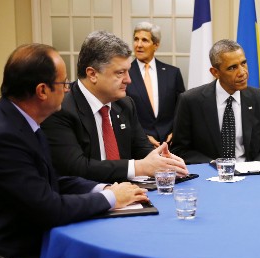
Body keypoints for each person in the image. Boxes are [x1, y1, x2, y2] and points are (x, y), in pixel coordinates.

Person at [0, 43, 148, 258]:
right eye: (63, 84)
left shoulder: (21, 122)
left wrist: (103, 188)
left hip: (25, 240)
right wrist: (112, 198)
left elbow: (53, 182)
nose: (68, 89)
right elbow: (49, 208)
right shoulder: (4, 135)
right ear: (42, 90)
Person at [41, 30, 188, 183]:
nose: (128, 80)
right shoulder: (60, 108)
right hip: (86, 199)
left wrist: (165, 161)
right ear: (92, 74)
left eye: (128, 72)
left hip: (129, 194)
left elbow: (142, 150)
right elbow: (76, 167)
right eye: (120, 73)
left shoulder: (125, 104)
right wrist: (138, 167)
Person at [171, 39, 260, 164]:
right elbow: (180, 150)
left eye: (243, 63)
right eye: (232, 68)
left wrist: (253, 168)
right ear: (215, 72)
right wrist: (213, 164)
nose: (242, 72)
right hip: (209, 176)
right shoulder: (190, 101)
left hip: (250, 176)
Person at [126, 22, 185, 147]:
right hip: (138, 146)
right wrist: (142, 137)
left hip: (170, 145)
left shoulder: (173, 73)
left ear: (156, 45)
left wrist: (176, 131)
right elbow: (120, 113)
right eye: (136, 39)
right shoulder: (124, 73)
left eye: (145, 40)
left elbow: (182, 109)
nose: (139, 45)